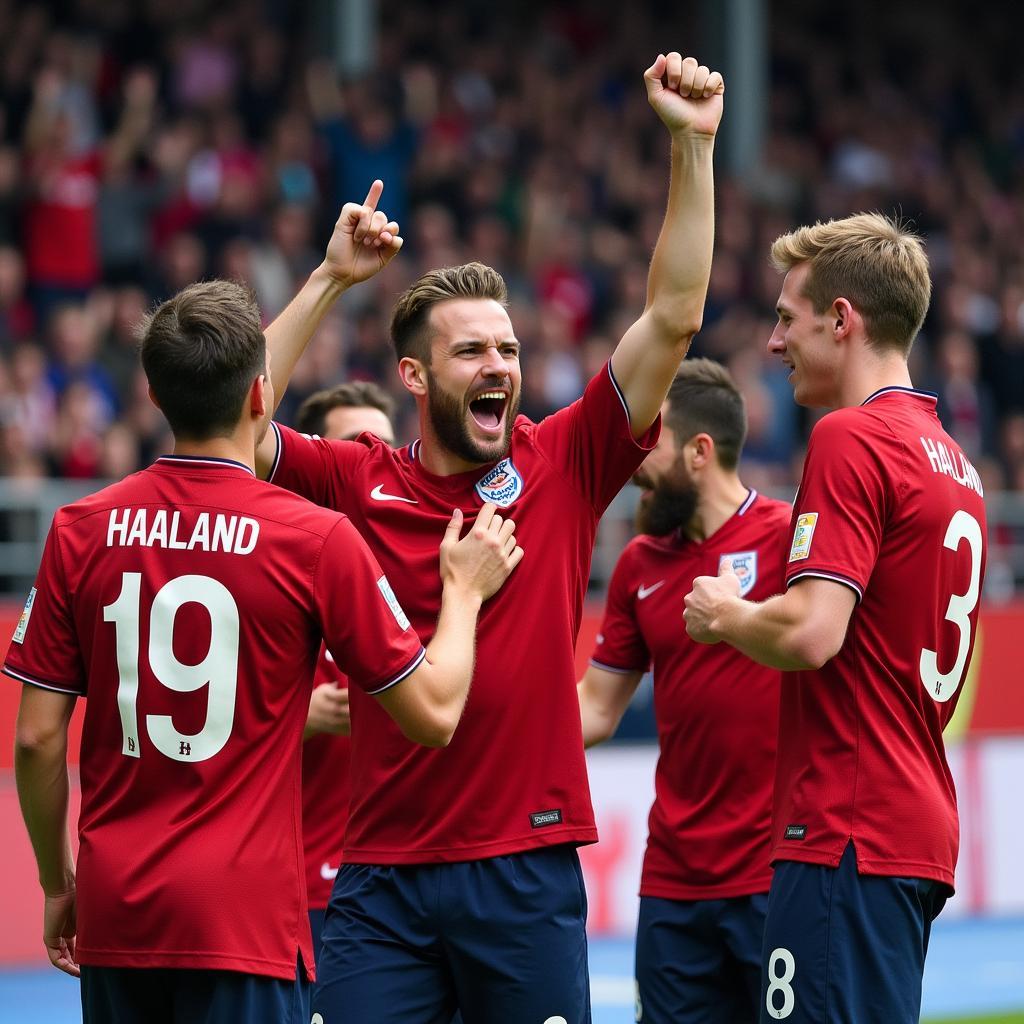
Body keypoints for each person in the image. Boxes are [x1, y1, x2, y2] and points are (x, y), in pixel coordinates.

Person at [255, 52, 725, 1024]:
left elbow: (674, 315)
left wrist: (692, 146)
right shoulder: (358, 479)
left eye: (508, 347)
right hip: (380, 875)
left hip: (523, 865)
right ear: (416, 378)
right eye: (471, 350)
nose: (498, 363)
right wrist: (330, 279)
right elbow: (237, 416)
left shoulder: (565, 459)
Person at [5, 274, 523, 1024]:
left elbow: (36, 737)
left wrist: (59, 883)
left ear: (153, 398)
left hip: (117, 916)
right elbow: (434, 714)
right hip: (246, 925)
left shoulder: (79, 528)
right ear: (262, 395)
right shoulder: (312, 537)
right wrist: (466, 593)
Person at [683, 213, 988, 1024]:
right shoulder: (957, 463)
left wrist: (724, 614)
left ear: (842, 320)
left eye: (788, 318)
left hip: (845, 827)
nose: (775, 343)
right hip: (913, 825)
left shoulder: (852, 438)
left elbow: (815, 632)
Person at [578, 358, 790, 1023]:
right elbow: (595, 708)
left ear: (700, 452)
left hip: (775, 872)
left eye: (653, 441)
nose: (636, 458)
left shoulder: (789, 539)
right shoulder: (640, 562)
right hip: (674, 878)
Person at [294, 381, 397, 963]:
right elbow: (185, 738)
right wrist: (296, 720)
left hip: (403, 887)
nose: (369, 466)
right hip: (298, 891)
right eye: (352, 449)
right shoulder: (269, 582)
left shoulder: (427, 582)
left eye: (381, 449)